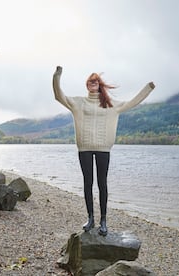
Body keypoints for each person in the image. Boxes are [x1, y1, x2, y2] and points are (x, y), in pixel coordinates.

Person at [52, 66, 155, 236]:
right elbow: (58, 95)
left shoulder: (111, 105)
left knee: (102, 183)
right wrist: (57, 76)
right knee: (87, 183)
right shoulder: (78, 102)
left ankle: (103, 220)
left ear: (99, 85)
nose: (93, 83)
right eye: (90, 81)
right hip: (84, 148)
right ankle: (91, 218)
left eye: (96, 81)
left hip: (103, 149)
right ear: (87, 85)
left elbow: (133, 102)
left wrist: (148, 88)